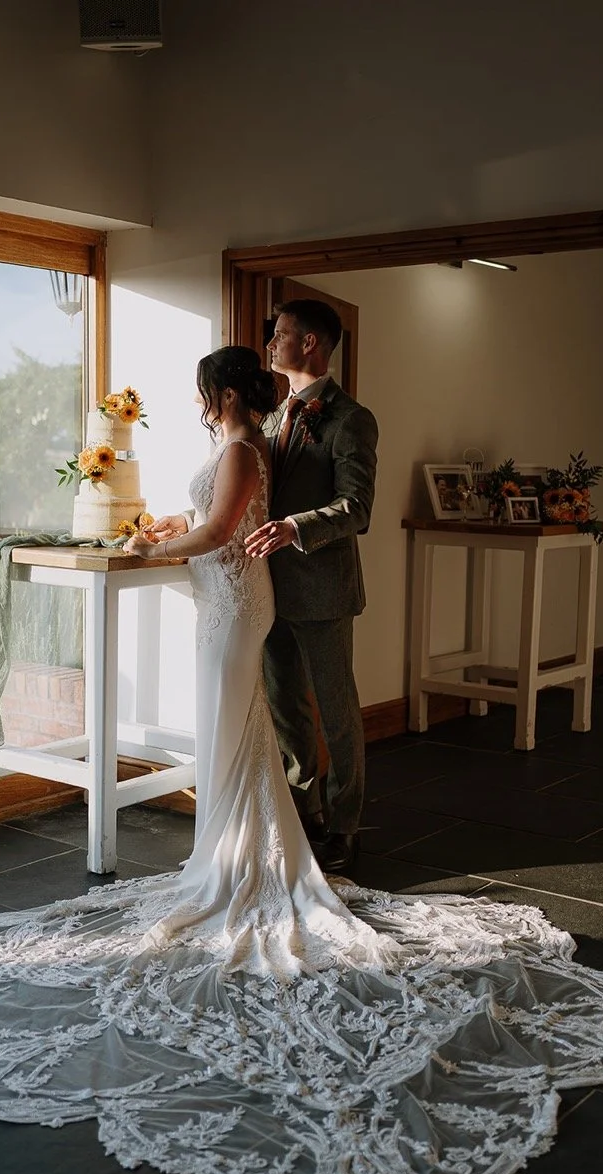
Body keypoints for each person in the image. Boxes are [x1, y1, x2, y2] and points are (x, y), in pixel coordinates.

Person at [0, 346, 603, 1174]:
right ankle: (239, 849)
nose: (200, 402)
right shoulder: (246, 445)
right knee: (235, 733)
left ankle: (249, 862)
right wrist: (168, 526)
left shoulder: (248, 444)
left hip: (231, 599)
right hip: (224, 594)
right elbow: (217, 516)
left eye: (200, 391)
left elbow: (217, 535)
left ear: (216, 395)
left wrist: (148, 544)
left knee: (235, 727)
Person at [244, 299, 377, 875]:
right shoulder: (271, 418)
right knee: (287, 712)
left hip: (323, 589)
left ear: (312, 345)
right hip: (269, 589)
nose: (272, 344)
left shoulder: (350, 418)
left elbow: (357, 508)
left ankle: (346, 826)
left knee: (337, 712)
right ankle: (304, 816)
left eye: (281, 335)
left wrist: (296, 526)